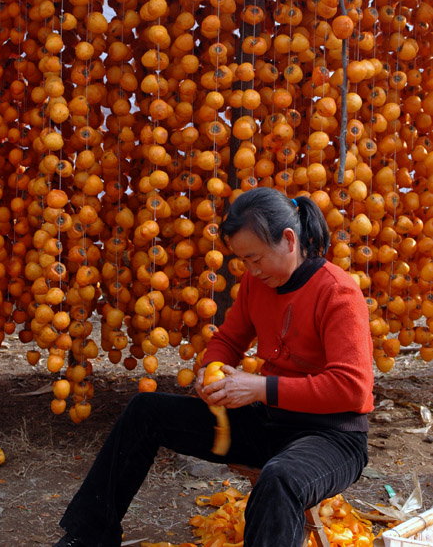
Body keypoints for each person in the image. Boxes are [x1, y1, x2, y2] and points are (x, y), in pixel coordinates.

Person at [53, 187, 373, 547]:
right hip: (269, 423)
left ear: (288, 240)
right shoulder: (256, 284)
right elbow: (229, 340)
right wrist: (213, 369)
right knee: (146, 410)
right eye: (243, 262)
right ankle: (88, 536)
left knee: (279, 478)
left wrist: (259, 388)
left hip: (332, 438)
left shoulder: (338, 292)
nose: (250, 270)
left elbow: (351, 388)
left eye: (256, 259)